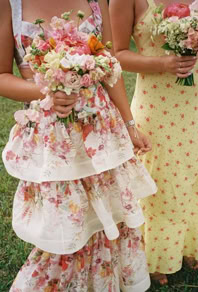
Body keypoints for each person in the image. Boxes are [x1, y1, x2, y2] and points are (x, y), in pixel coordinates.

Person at [0, 0, 157, 290]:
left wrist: (129, 123)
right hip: (53, 142)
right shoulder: (10, 5)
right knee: (66, 228)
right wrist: (47, 90)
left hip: (101, 135)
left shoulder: (94, 1)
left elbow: (111, 68)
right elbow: (1, 77)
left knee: (108, 218)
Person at [110, 0, 198, 285]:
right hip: (155, 106)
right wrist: (163, 63)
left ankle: (186, 243)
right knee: (159, 180)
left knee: (189, 173)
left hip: (191, 103)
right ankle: (153, 254)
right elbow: (116, 56)